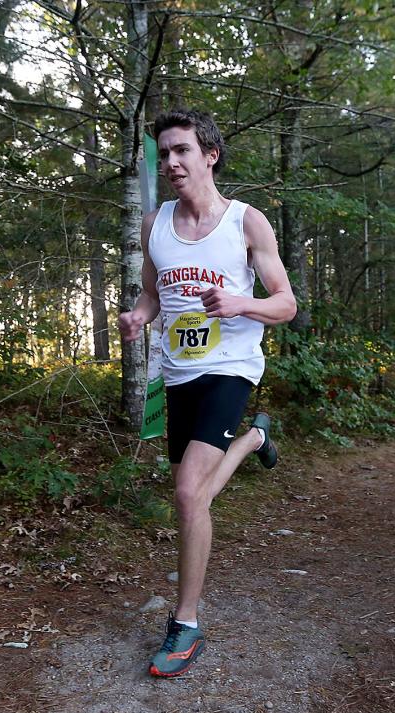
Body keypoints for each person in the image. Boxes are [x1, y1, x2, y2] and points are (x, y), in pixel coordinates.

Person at [118, 110, 297, 678]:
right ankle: (255, 440)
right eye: (165, 153)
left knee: (190, 495)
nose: (171, 162)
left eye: (182, 152)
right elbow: (152, 296)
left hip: (232, 367)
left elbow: (286, 305)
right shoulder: (155, 224)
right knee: (188, 491)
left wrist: (242, 304)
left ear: (210, 155)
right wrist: (137, 318)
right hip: (179, 373)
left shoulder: (246, 223)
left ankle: (185, 622)